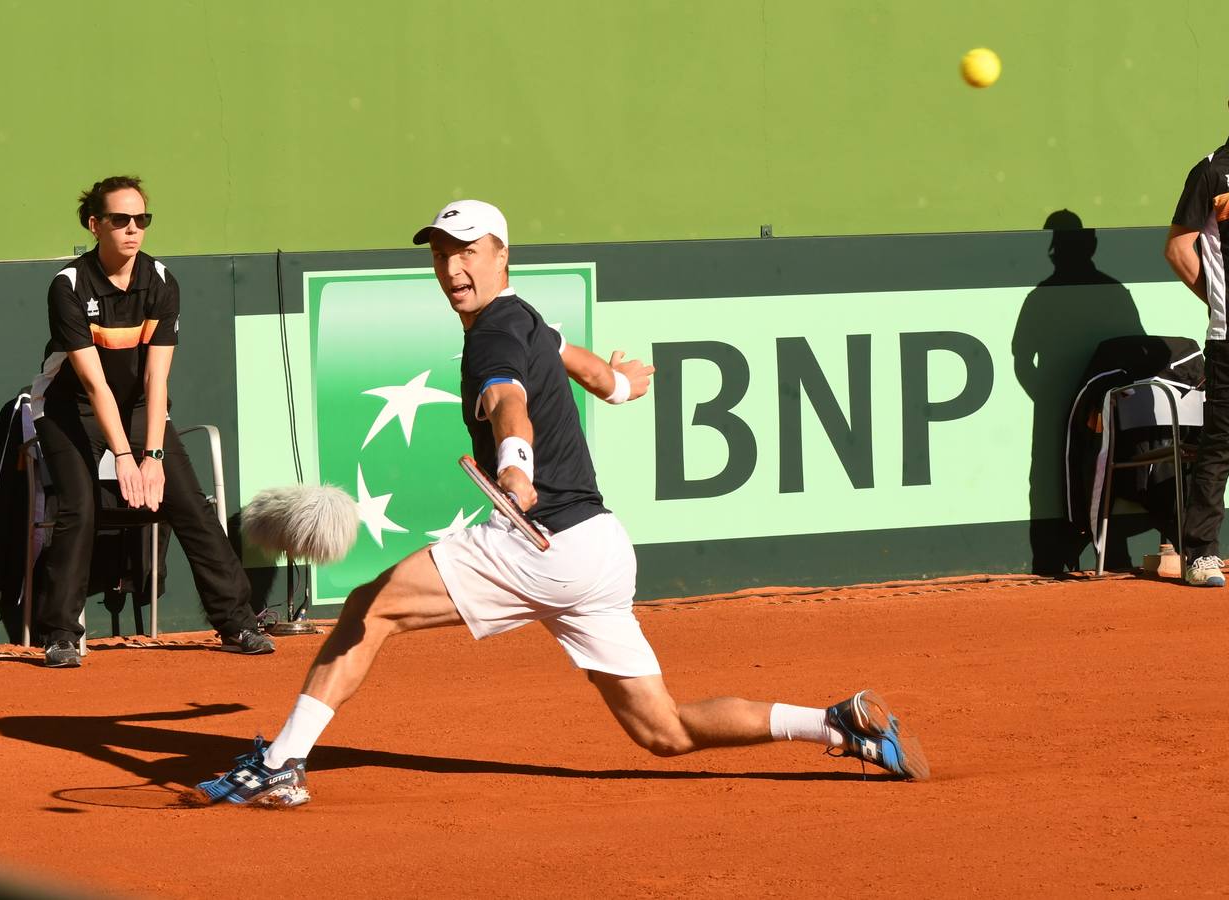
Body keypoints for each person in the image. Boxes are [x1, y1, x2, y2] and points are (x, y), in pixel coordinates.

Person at [196, 200, 927, 806]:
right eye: (443, 252)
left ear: (501, 255)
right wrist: (626, 384)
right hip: (599, 549)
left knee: (369, 607)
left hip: (541, 539)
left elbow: (508, 400)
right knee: (663, 730)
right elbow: (590, 373)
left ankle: (279, 765)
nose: (454, 266)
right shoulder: (528, 320)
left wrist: (516, 467)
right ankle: (839, 727)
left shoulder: (493, 338)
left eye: (470, 250)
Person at [30, 176, 274, 666]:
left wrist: (154, 456)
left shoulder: (160, 281)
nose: (133, 229)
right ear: (94, 224)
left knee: (189, 504)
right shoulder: (69, 286)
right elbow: (94, 384)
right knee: (80, 509)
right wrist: (123, 456)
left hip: (141, 408)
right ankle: (60, 634)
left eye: (141, 220)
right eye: (120, 220)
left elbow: (156, 381)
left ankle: (237, 623)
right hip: (68, 410)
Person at [1163, 85, 1229, 588]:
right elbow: (1179, 249)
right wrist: (1219, 302)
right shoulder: (1212, 170)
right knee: (1222, 443)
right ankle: (1201, 554)